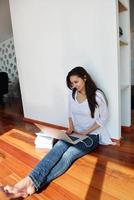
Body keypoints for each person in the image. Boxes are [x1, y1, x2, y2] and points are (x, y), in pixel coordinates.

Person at [2, 66, 113, 198]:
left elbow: (103, 118)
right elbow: (70, 113)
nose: (74, 85)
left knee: (69, 155)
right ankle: (29, 181)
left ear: (85, 78)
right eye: (71, 83)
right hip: (76, 133)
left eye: (76, 82)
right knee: (57, 148)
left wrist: (86, 132)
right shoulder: (73, 94)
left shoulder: (97, 95)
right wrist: (70, 128)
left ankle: (32, 184)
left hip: (92, 136)